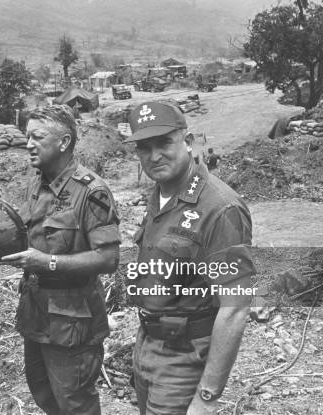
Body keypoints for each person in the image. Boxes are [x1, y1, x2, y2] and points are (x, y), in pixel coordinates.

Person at [124, 101, 256, 415]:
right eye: (144, 148)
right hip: (147, 345)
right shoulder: (160, 193)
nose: (154, 156)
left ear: (189, 141)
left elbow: (235, 308)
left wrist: (207, 397)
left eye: (164, 143)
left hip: (184, 359)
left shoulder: (221, 208)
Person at [0, 105, 121, 415]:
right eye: (27, 137)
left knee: (74, 404)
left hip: (72, 324)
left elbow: (108, 258)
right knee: (44, 396)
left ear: (64, 142)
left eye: (37, 137)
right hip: (35, 315)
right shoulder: (35, 185)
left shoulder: (91, 191)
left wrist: (48, 263)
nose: (28, 144)